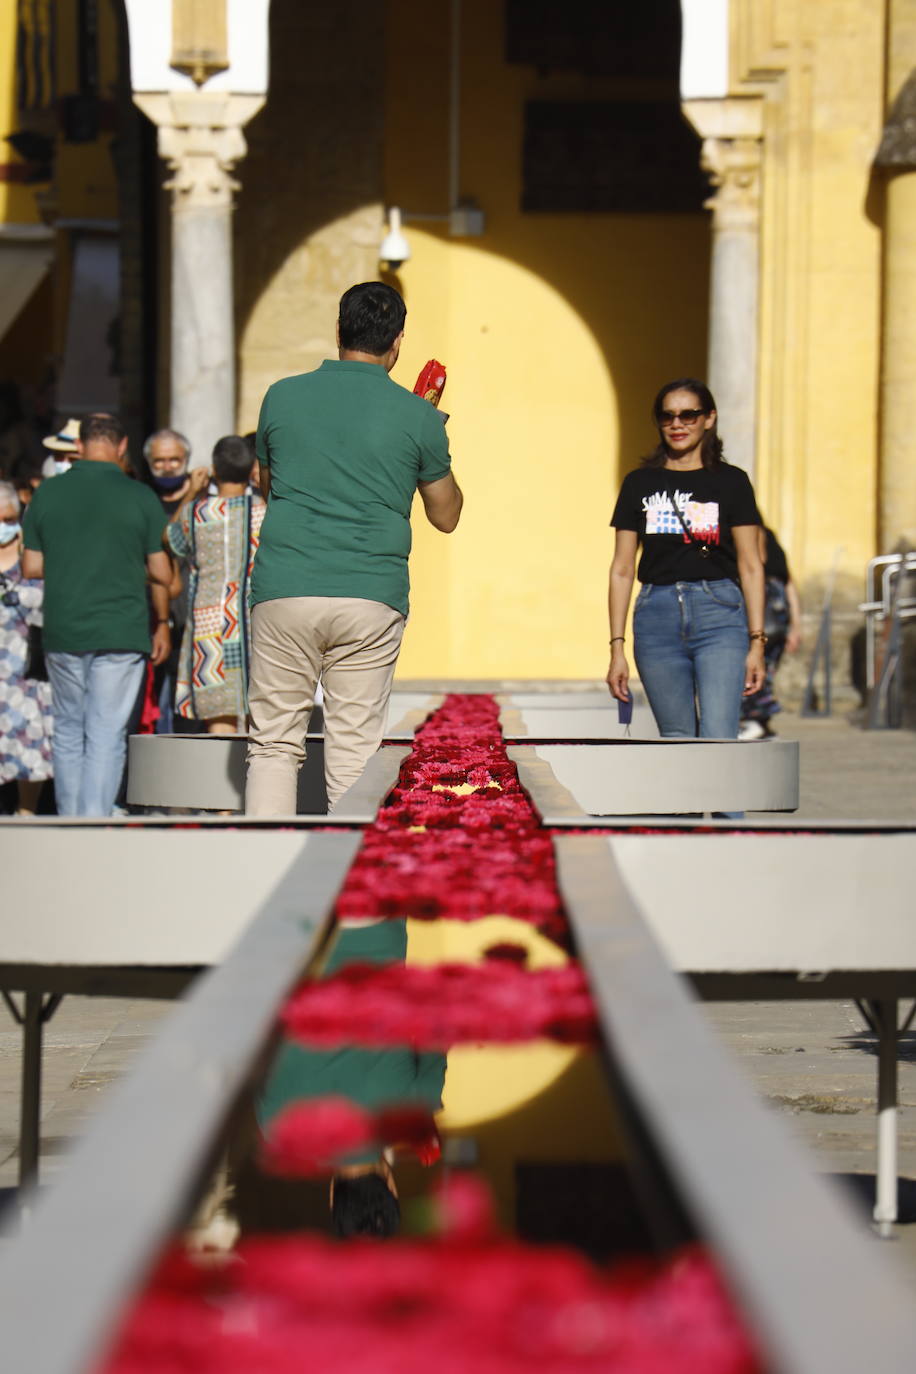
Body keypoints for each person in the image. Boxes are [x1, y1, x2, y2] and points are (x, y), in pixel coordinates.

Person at [246, 280, 463, 813]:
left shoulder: (282, 395)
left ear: (339, 330)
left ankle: (260, 871)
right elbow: (447, 515)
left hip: (286, 584)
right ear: (398, 342)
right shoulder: (417, 417)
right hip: (370, 592)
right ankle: (351, 887)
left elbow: (268, 484)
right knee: (355, 751)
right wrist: (430, 431)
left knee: (273, 745)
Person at [21, 414, 173, 816]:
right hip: (121, 630)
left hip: (64, 628)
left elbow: (31, 565)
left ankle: (70, 817)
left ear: (79, 446)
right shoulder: (140, 496)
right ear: (122, 447)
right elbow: (162, 571)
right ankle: (94, 820)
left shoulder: (48, 493)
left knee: (69, 729)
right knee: (107, 731)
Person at [606, 378, 766, 741]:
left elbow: (751, 564)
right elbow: (621, 568)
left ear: (709, 419)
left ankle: (725, 802)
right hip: (655, 615)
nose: (677, 424)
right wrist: (617, 648)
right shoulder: (638, 483)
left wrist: (757, 641)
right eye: (667, 417)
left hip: (719, 612)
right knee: (676, 739)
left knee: (719, 735)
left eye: (688, 415)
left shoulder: (732, 482)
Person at [166, 435, 266, 733]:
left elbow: (171, 538)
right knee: (262, 716)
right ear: (250, 469)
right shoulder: (265, 511)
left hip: (210, 621)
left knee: (218, 716)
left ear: (213, 470)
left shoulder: (195, 513)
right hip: (256, 620)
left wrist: (192, 493)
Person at [0, 480, 53, 813]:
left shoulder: (32, 556)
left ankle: (26, 810)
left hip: (25, 666)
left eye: (7, 519)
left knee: (28, 737)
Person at [739, 525, 802, 739]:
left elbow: (755, 565)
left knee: (751, 667)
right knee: (767, 671)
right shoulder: (773, 540)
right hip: (780, 613)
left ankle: (753, 720)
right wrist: (795, 625)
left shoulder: (753, 533)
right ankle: (762, 724)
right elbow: (790, 585)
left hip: (762, 608)